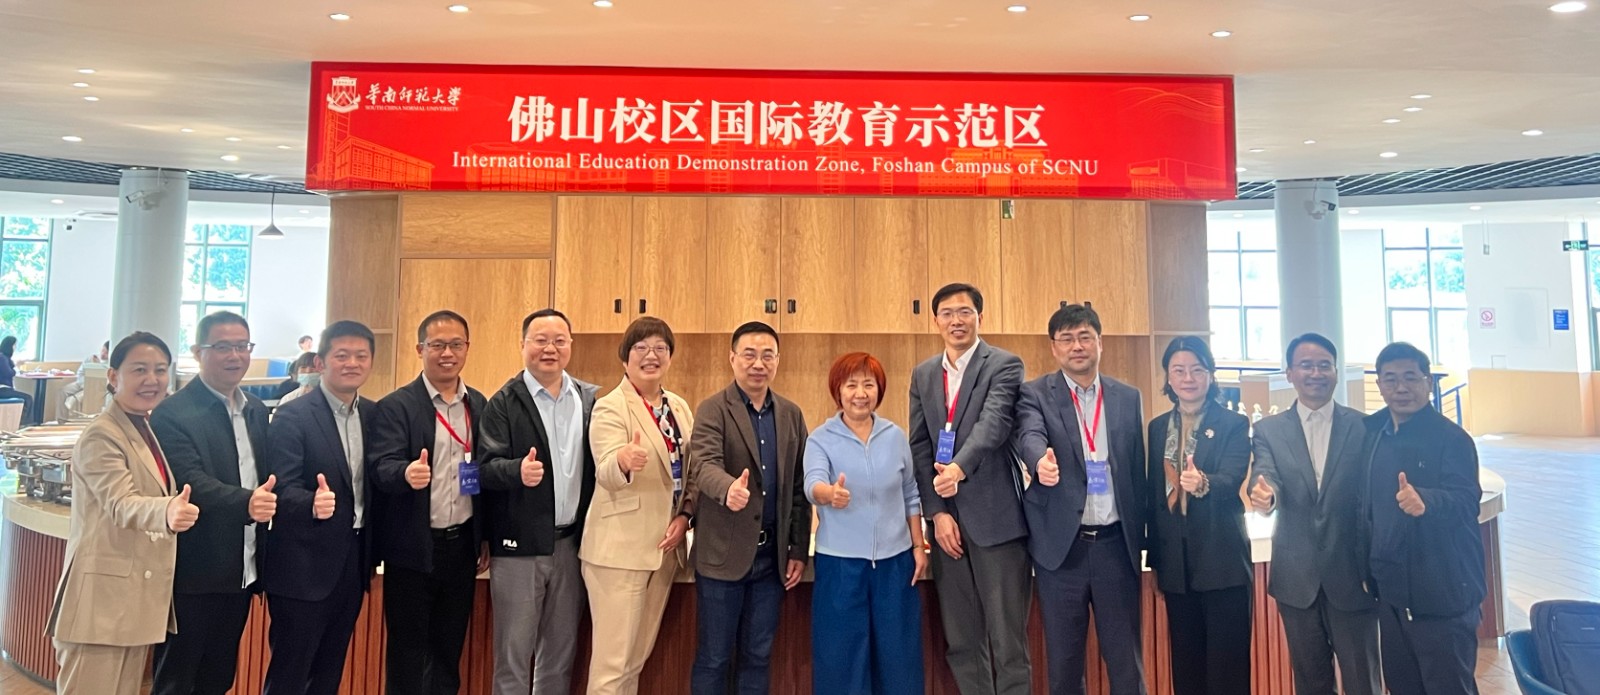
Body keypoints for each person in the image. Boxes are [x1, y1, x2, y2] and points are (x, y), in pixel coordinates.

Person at [47, 332, 200, 695]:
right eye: (139, 369)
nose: (152, 379)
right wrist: (167, 510)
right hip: (101, 607)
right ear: (113, 376)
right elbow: (121, 503)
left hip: (131, 605)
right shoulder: (101, 435)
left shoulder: (142, 425)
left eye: (160, 370)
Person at [1013, 303, 1149, 695]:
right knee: (1065, 666)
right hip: (1062, 551)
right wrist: (1039, 461)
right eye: (1067, 339)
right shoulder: (1035, 394)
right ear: (1053, 347)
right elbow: (1029, 434)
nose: (1077, 346)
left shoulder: (1127, 397)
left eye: (1085, 337)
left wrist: (1144, 543)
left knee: (1126, 663)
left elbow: (1136, 472)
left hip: (1115, 548)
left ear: (1100, 343)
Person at [907, 283, 1030, 695]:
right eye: (947, 313)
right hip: (947, 526)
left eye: (965, 312)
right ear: (935, 320)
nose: (956, 320)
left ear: (980, 317)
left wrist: (958, 468)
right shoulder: (924, 374)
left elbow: (993, 424)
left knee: (1008, 642)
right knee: (962, 641)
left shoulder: (1004, 365)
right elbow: (920, 445)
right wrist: (937, 513)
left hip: (997, 521)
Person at [149, 311, 273, 695]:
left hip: (242, 569)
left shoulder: (255, 409)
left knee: (218, 677)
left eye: (242, 346)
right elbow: (191, 481)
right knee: (177, 679)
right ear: (197, 351)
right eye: (222, 347)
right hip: (194, 571)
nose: (234, 355)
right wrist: (248, 502)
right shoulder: (173, 412)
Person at [1250, 333, 1381, 695]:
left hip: (1354, 577)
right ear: (1289, 373)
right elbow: (1266, 474)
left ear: (1337, 372)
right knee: (1310, 683)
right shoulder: (1268, 430)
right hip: (1297, 580)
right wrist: (1266, 495)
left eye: (1324, 365)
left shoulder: (1364, 427)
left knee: (1363, 682)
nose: (1316, 373)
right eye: (1306, 365)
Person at [477, 309, 599, 695]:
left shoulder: (589, 398)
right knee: (513, 655)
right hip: (519, 548)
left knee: (559, 655)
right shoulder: (503, 402)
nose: (550, 348)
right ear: (523, 344)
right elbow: (483, 469)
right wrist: (516, 471)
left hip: (572, 545)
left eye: (559, 341)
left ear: (571, 345)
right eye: (540, 340)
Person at [368, 310, 489, 695]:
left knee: (447, 650)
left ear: (467, 348)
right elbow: (379, 466)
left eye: (455, 344)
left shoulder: (478, 404)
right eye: (437, 345)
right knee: (407, 652)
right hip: (413, 549)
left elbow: (482, 473)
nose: (447, 353)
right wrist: (405, 473)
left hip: (461, 547)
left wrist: (484, 536)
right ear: (420, 349)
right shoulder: (397, 405)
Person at [688, 321, 811, 695]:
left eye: (767, 355)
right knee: (714, 657)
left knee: (758, 657)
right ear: (732, 358)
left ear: (777, 360)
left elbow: (798, 488)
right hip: (722, 555)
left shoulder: (791, 414)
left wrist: (797, 549)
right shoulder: (713, 409)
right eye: (749, 355)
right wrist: (728, 489)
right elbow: (703, 465)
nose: (759, 363)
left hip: (771, 561)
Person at [581, 316, 698, 695]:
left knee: (634, 662)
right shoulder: (610, 407)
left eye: (660, 348)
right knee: (611, 668)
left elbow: (690, 472)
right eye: (641, 348)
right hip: (619, 553)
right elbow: (605, 469)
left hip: (664, 551)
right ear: (625, 357)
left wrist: (685, 516)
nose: (652, 355)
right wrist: (622, 461)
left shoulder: (678, 407)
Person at [260, 321, 377, 695]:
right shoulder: (293, 414)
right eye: (341, 355)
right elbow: (280, 486)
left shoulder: (374, 415)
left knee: (328, 673)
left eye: (361, 356)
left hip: (352, 564)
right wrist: (311, 503)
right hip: (302, 569)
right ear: (320, 362)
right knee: (289, 675)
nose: (352, 363)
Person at [1362, 342, 1485, 694]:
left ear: (1428, 382)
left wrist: (1426, 501)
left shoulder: (1452, 439)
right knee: (1403, 686)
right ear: (1379, 385)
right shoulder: (1372, 433)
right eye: (1391, 379)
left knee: (1448, 686)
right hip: (1391, 592)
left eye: (1410, 378)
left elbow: (1467, 500)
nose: (1401, 388)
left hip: (1442, 593)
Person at [804, 351, 926, 695]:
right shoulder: (821, 438)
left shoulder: (895, 436)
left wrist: (918, 545)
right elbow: (812, 484)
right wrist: (829, 494)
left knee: (899, 659)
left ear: (879, 390)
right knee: (841, 660)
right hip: (840, 565)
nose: (860, 393)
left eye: (868, 385)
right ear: (838, 391)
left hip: (895, 564)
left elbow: (910, 493)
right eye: (851, 385)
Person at [1145, 336, 1252, 695]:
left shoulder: (1233, 423)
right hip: (1177, 566)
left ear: (1210, 374)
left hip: (1222, 561)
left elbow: (1232, 478)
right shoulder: (1158, 427)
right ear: (1168, 377)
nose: (1188, 378)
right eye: (1179, 370)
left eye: (1197, 369)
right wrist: (1156, 562)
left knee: (1227, 672)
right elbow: (1154, 496)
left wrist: (1203, 482)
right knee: (1187, 670)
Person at [58, 340, 109, 419]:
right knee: (62, 391)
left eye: (106, 353)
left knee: (75, 399)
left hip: (94, 387)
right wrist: (82, 384)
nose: (103, 354)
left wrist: (98, 365)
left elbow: (102, 379)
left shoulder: (110, 363)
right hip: (81, 382)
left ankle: (74, 421)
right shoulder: (92, 357)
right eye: (103, 350)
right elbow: (80, 372)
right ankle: (61, 419)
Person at [0, 335, 36, 424]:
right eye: (14, 345)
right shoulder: (2, 358)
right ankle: (26, 424)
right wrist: (17, 366)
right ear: (10, 346)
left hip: (5, 389)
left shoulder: (5, 358)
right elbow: (9, 373)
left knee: (27, 398)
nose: (15, 348)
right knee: (28, 398)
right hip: (2, 389)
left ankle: (23, 422)